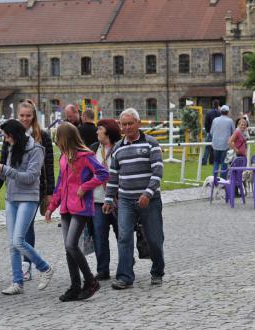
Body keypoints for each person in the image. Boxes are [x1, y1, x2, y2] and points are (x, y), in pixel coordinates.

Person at [45, 122, 109, 302]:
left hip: (81, 208)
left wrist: (85, 186)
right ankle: (74, 286)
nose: (56, 142)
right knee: (68, 248)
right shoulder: (64, 157)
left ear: (65, 138)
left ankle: (90, 281)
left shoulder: (86, 156)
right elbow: (60, 185)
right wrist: (51, 208)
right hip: (65, 207)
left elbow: (103, 173)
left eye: (58, 138)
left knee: (72, 245)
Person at [0, 100, 55, 281]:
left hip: (34, 189)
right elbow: (4, 163)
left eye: (28, 115)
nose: (25, 118)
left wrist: (50, 191)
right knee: (18, 235)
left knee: (26, 229)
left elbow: (48, 166)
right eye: (22, 115)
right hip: (13, 190)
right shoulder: (10, 135)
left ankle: (29, 264)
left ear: (34, 116)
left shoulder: (41, 137)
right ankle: (20, 274)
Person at [103, 108, 165, 289]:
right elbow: (113, 176)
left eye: (131, 123)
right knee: (124, 238)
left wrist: (147, 193)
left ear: (139, 124)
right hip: (125, 201)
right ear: (120, 126)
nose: (128, 127)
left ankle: (157, 271)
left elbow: (158, 172)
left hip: (150, 200)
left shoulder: (151, 144)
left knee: (154, 238)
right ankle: (125, 277)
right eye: (124, 124)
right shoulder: (117, 148)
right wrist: (108, 199)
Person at [90, 118, 121, 281]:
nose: (97, 131)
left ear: (108, 131)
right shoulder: (94, 149)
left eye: (99, 128)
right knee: (99, 235)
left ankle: (126, 263)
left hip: (117, 199)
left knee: (121, 234)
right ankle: (102, 270)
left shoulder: (120, 148)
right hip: (97, 200)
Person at [210, 105, 234, 180]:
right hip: (225, 145)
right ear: (227, 112)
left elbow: (211, 132)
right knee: (224, 163)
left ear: (221, 112)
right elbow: (233, 133)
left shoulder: (215, 120)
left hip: (215, 144)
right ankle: (223, 180)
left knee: (216, 162)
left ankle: (215, 179)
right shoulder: (230, 121)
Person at [201, 99, 221, 165]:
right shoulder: (219, 113)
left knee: (207, 147)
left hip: (210, 132)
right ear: (218, 105)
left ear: (212, 104)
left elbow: (206, 123)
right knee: (214, 147)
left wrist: (208, 131)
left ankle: (204, 161)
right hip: (217, 132)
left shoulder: (209, 113)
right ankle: (212, 161)